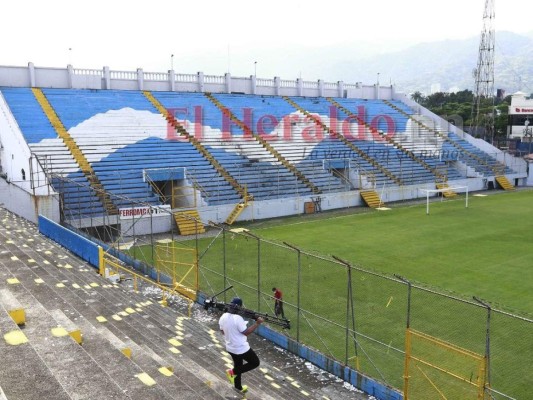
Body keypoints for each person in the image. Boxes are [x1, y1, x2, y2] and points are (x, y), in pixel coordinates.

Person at [219, 297, 263, 394]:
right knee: (255, 362)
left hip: (230, 347)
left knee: (238, 365)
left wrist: (231, 333)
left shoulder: (223, 316)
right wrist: (257, 323)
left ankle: (238, 387)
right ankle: (232, 372)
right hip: (240, 348)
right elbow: (246, 332)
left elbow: (222, 331)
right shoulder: (237, 318)